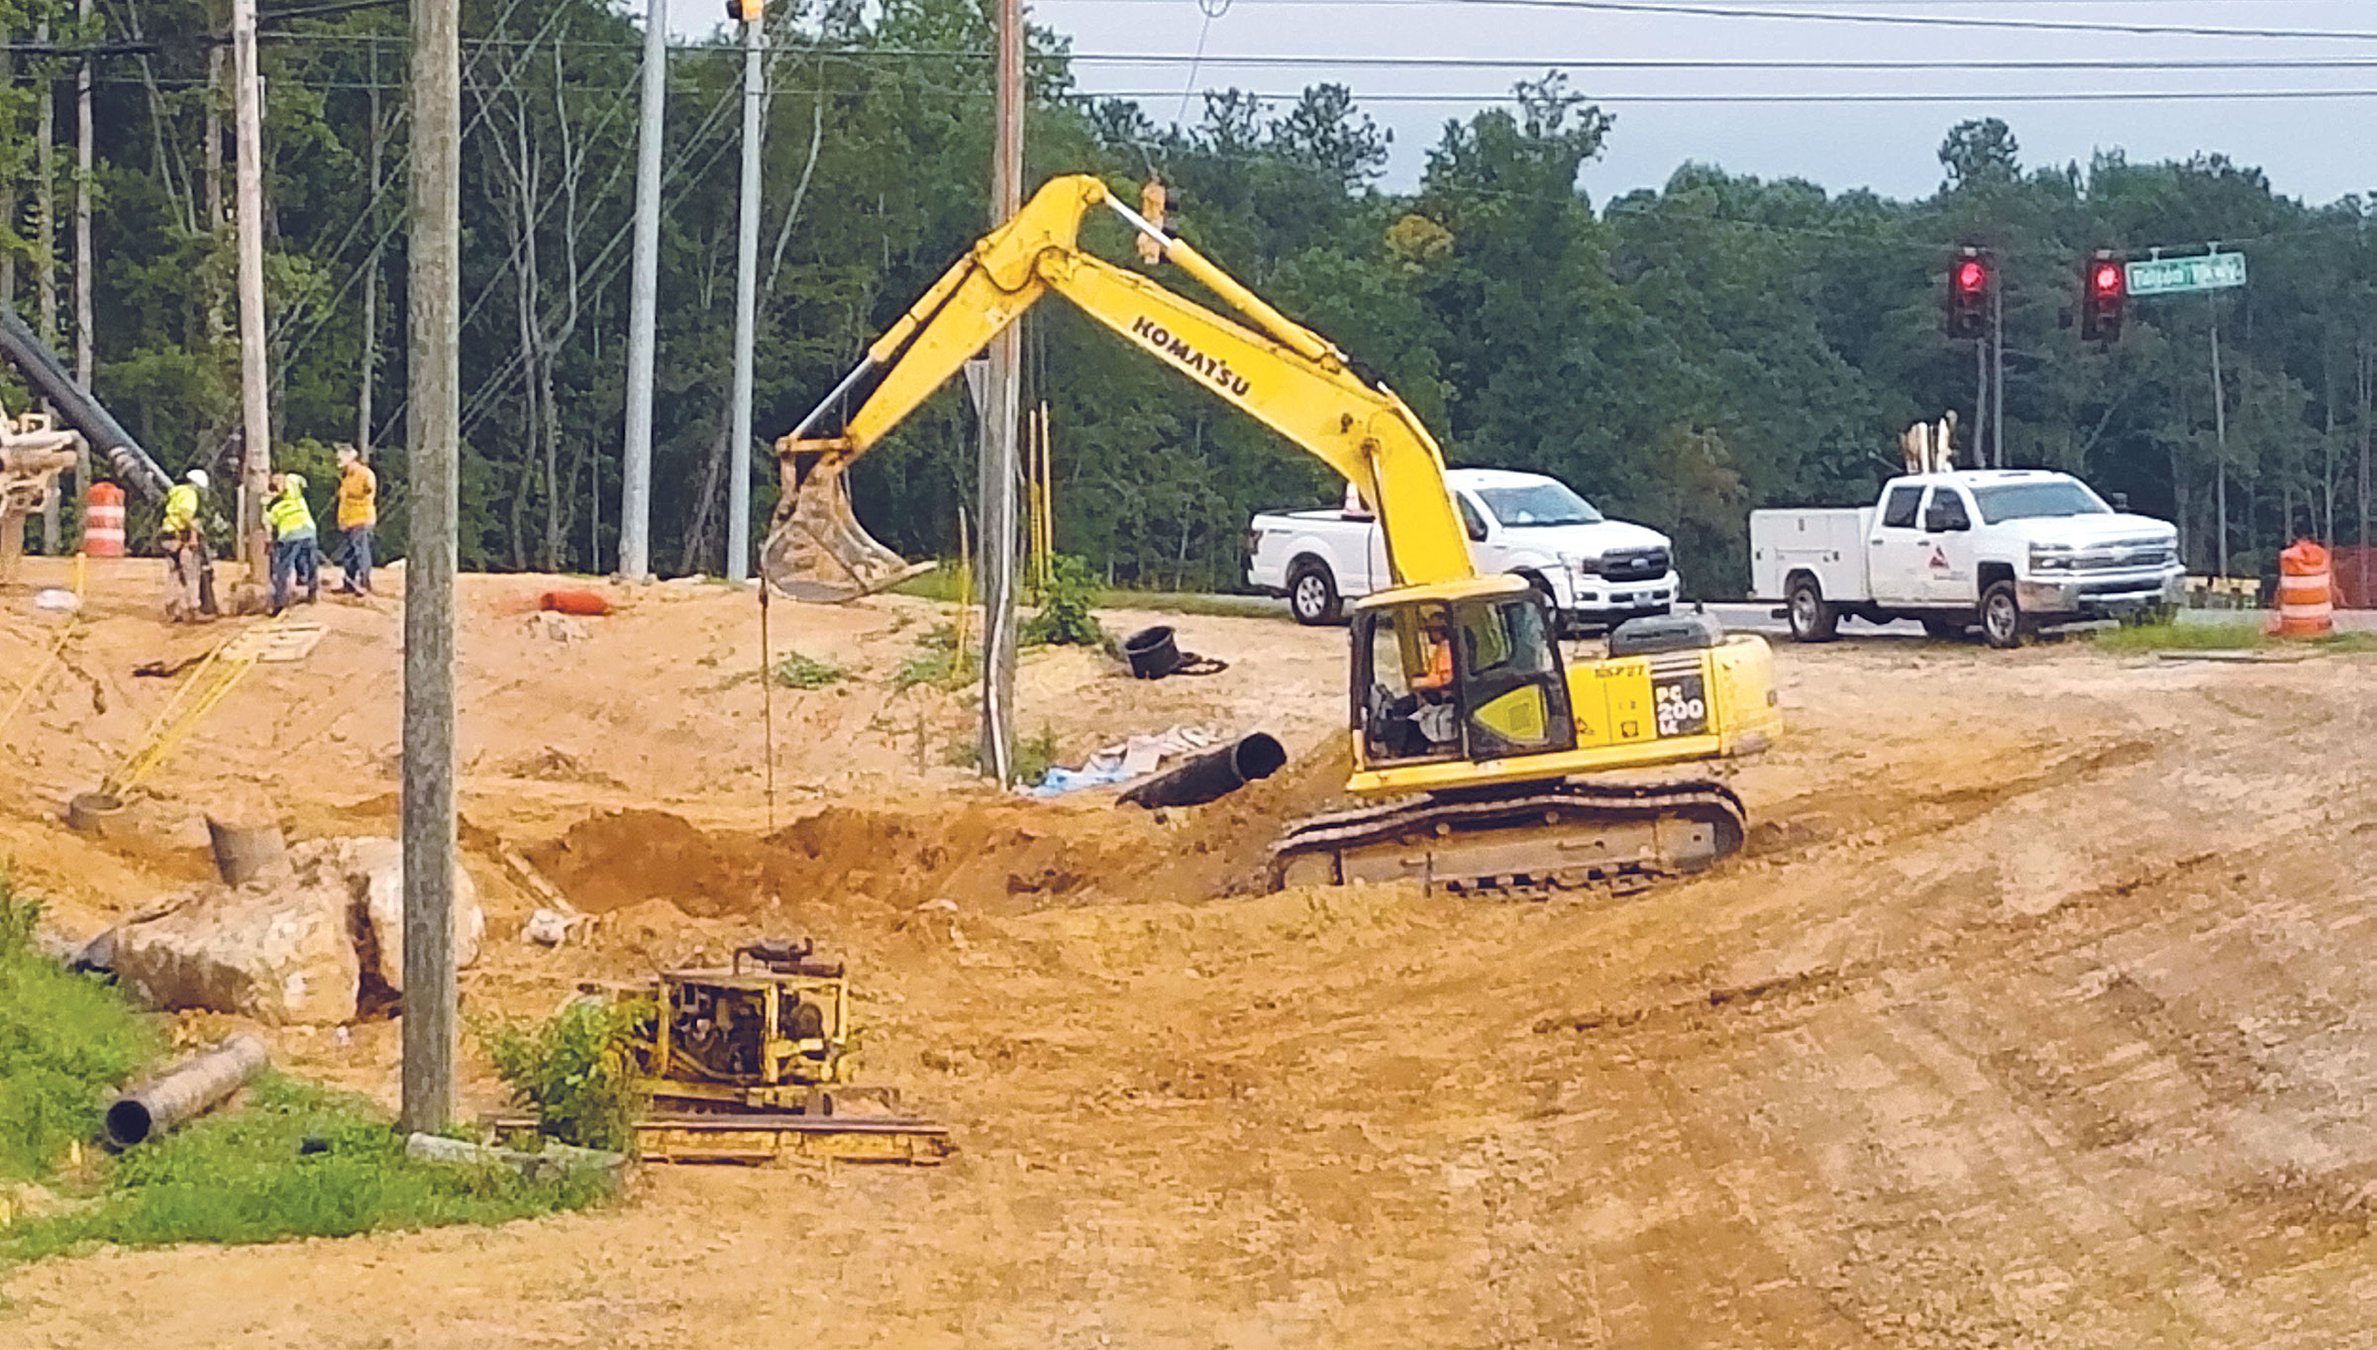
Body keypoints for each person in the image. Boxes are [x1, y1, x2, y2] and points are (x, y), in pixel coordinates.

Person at [160, 468, 217, 623]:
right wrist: (193, 537)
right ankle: (194, 609)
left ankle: (172, 608)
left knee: (174, 574)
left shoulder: (176, 492)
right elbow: (187, 516)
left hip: (167, 536)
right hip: (181, 538)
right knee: (191, 574)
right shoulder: (190, 495)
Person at [265, 471, 321, 613]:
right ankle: (312, 592)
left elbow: (268, 525)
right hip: (307, 531)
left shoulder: (271, 505)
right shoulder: (295, 496)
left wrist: (269, 541)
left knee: (283, 569)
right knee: (311, 563)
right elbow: (299, 480)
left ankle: (280, 602)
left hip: (290, 536)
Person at [334, 444, 377, 595]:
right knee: (349, 553)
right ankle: (349, 583)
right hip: (349, 520)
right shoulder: (346, 478)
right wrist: (342, 520)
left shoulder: (365, 474)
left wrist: (352, 494)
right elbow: (344, 502)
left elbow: (368, 491)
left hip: (362, 518)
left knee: (360, 551)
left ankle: (364, 582)